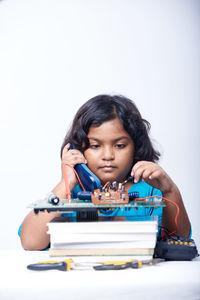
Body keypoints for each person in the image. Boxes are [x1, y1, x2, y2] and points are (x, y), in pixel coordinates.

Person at [20, 94, 191, 250]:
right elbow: (31, 242)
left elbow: (179, 241)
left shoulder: (151, 191)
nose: (108, 156)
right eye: (95, 146)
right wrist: (66, 183)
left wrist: (169, 191)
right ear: (78, 149)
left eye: (119, 145)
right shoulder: (70, 194)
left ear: (136, 148)